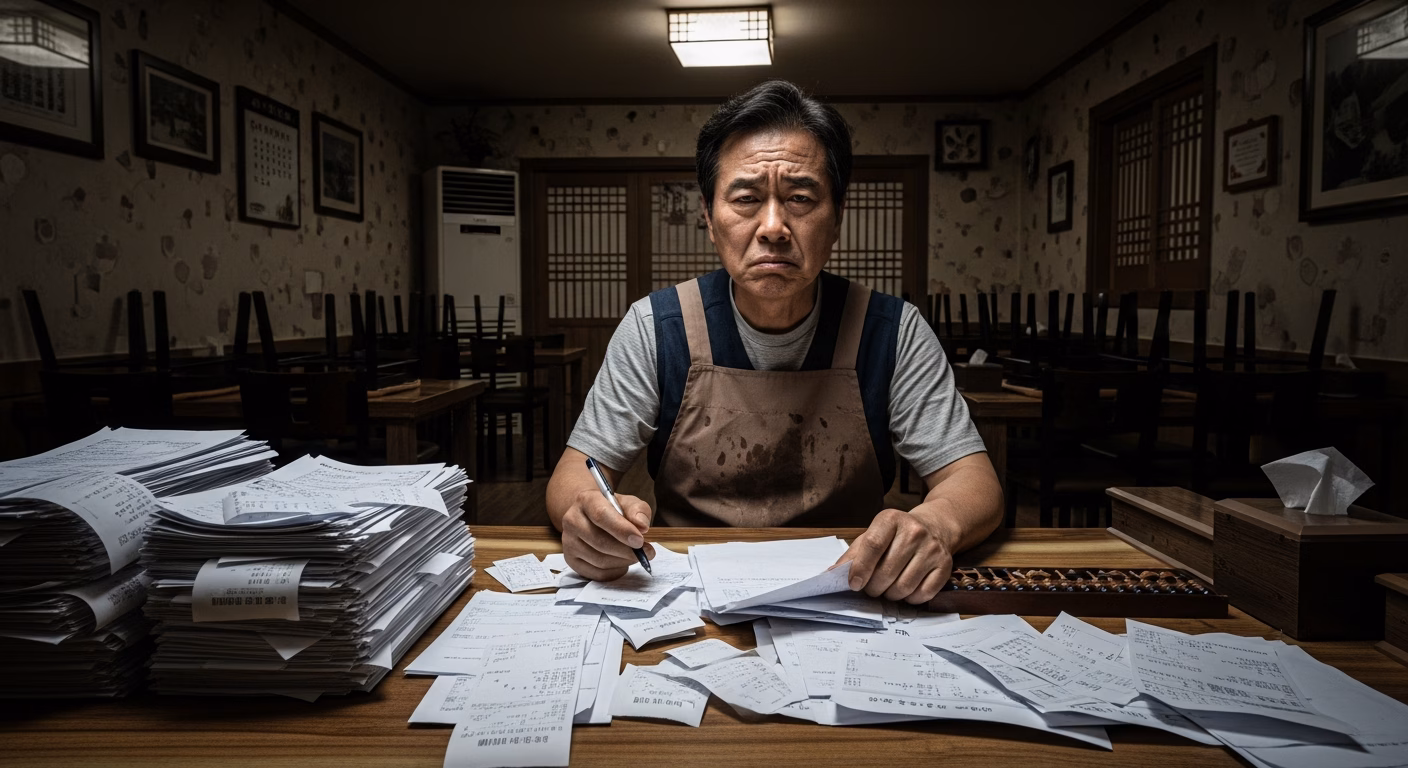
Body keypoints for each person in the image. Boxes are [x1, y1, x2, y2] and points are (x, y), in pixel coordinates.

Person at [546, 80, 1002, 605]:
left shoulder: (893, 330)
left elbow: (974, 481)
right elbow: (574, 475)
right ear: (709, 218)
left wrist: (936, 523)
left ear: (837, 217)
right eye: (746, 199)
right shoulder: (656, 326)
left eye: (800, 198)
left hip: (851, 587)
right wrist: (588, 516)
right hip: (686, 590)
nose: (773, 227)